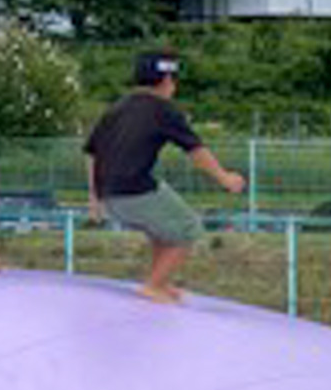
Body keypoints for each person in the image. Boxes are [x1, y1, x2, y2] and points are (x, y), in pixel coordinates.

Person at [84, 52, 246, 304]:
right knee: (187, 227)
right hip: (134, 190)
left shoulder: (118, 107)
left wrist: (94, 197)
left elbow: (92, 152)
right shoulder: (163, 110)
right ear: (167, 79)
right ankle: (154, 286)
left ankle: (161, 281)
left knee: (165, 229)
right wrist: (224, 178)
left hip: (111, 193)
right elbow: (195, 150)